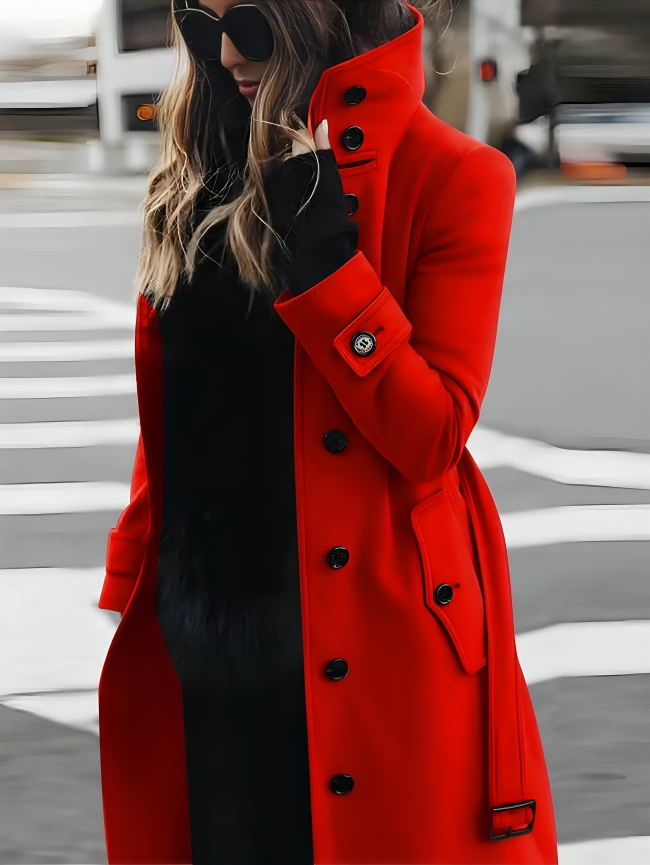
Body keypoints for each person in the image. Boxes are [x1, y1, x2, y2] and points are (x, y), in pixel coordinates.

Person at [97, 1, 558, 863]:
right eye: (203, 25)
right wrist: (141, 567)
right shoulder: (199, 173)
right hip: (206, 636)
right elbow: (186, 396)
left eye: (254, 24)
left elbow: (433, 434)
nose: (228, 53)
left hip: (368, 635)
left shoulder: (454, 175)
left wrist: (331, 266)